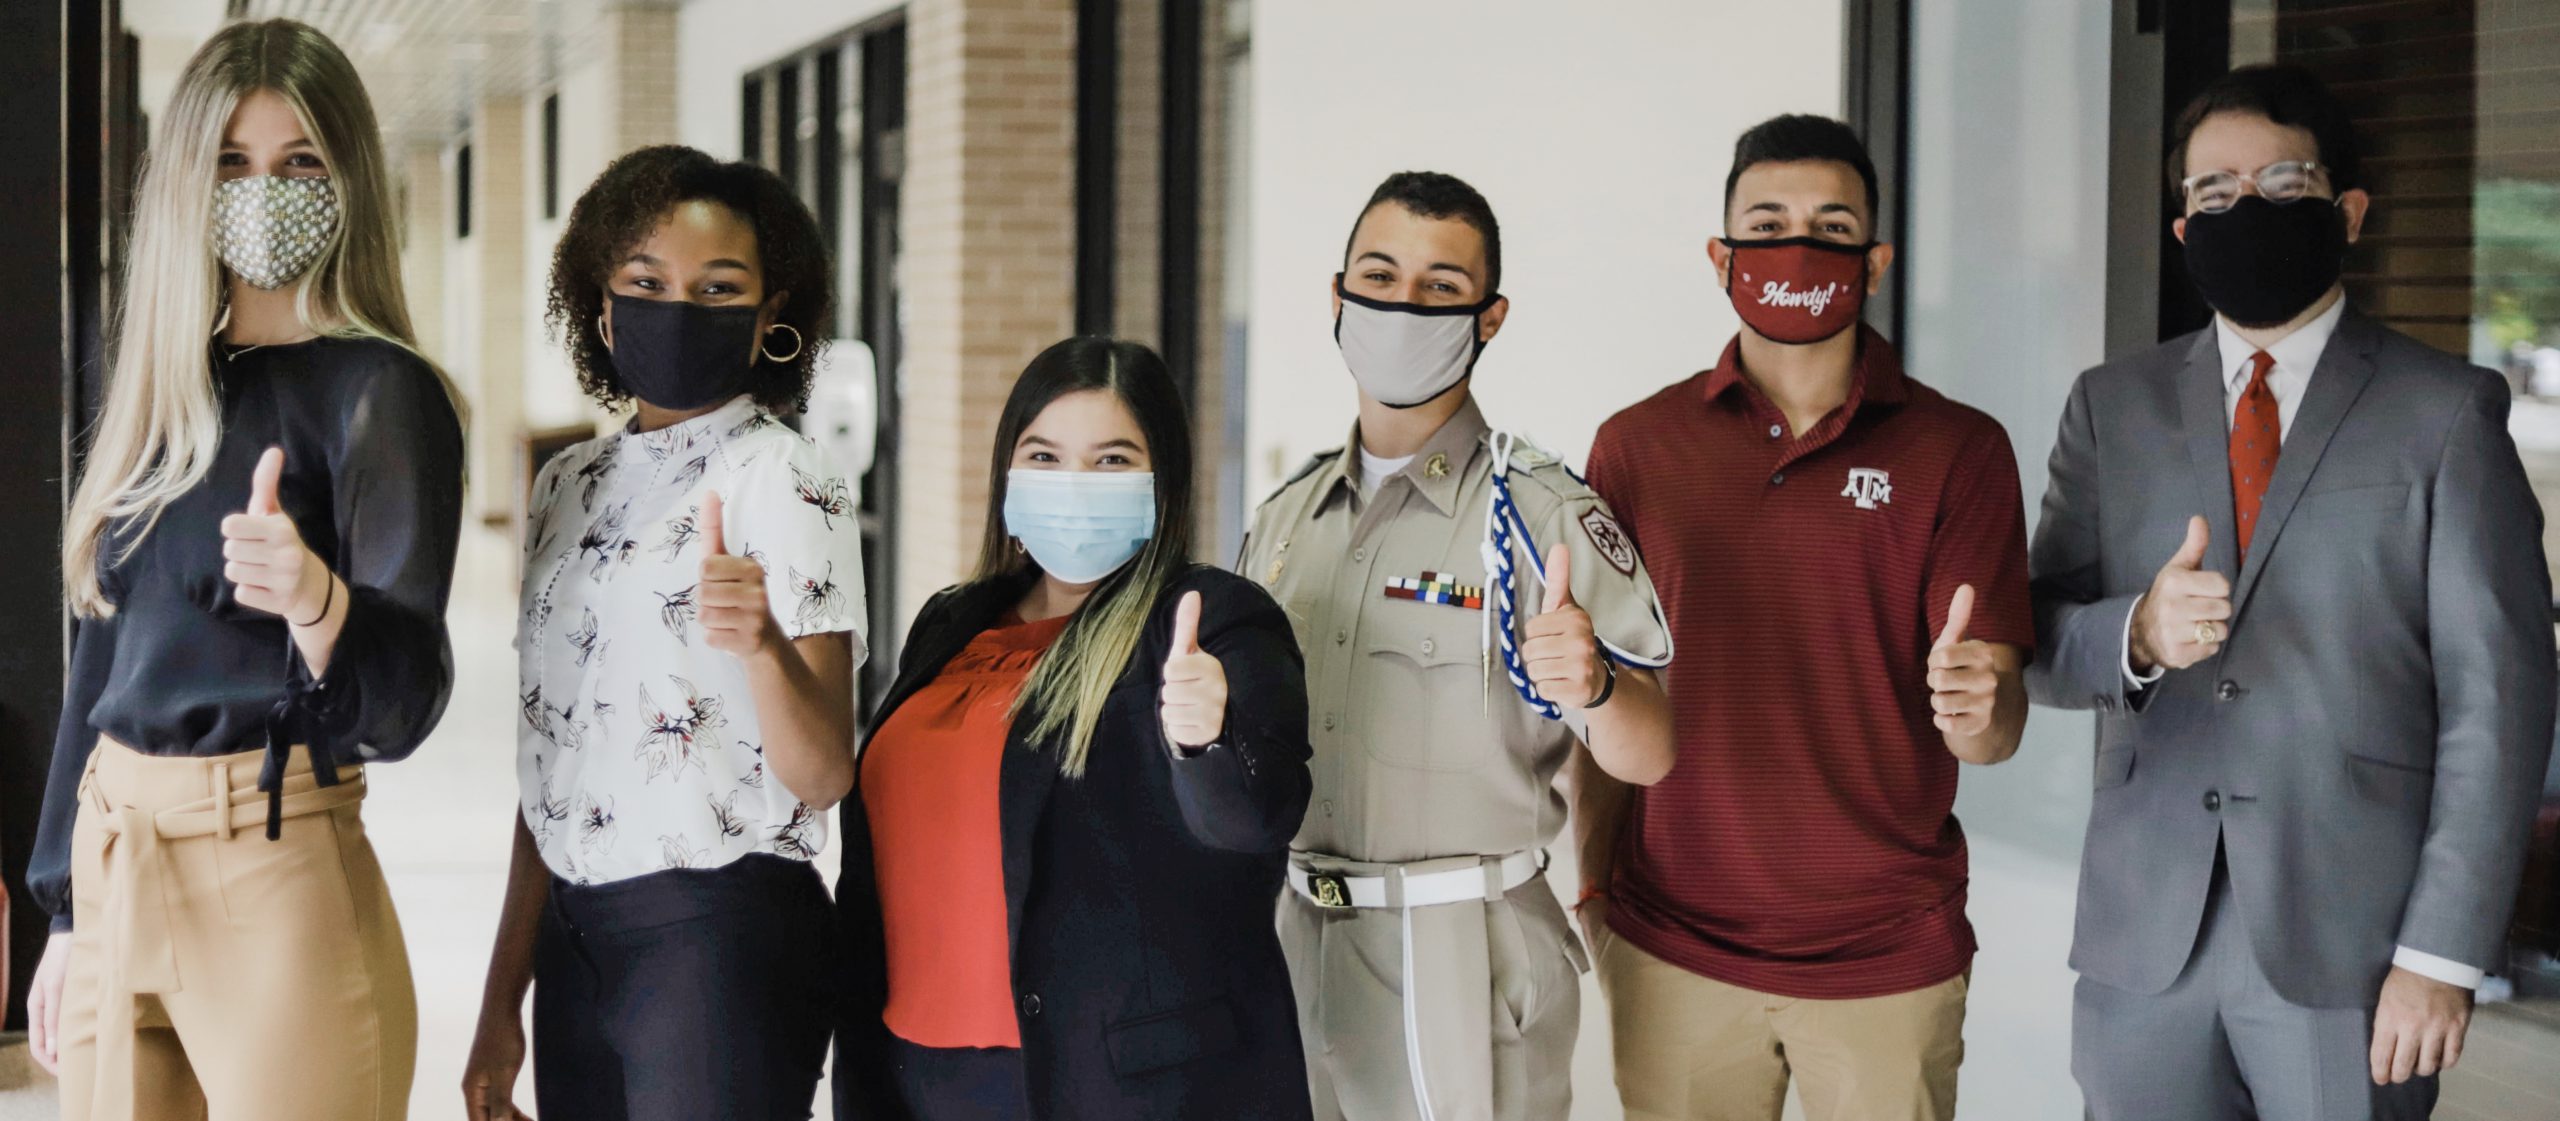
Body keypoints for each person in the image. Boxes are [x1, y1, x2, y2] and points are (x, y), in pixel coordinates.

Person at [2028, 63, 2558, 1120]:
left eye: (2280, 179)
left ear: (2346, 210)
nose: (2245, 208)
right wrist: (2132, 629)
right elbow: (2035, 637)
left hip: (2352, 947)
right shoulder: (2111, 405)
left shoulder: (2445, 411)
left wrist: (2441, 954)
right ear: (2183, 229)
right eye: (2212, 192)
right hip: (2146, 943)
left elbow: (2498, 700)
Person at [24, 18, 465, 1120]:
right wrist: (65, 913)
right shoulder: (155, 395)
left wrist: (313, 597)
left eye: (298, 162)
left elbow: (403, 701)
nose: (264, 190)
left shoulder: (380, 391)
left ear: (348, 177)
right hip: (116, 852)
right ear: (185, 182)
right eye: (231, 160)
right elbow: (100, 665)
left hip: (272, 867)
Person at [1574, 115, 2034, 1121]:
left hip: (1886, 955)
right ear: (1721, 256)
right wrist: (1587, 882)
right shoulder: (1635, 447)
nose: (1799, 245)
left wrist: (1977, 705)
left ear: (1872, 262)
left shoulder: (1958, 449)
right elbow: (1606, 691)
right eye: (1769, 220)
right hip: (1673, 946)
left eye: (1831, 225)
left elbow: (1994, 728)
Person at [1239, 171, 1677, 1121]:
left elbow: (1652, 750)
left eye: (1442, 287)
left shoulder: (1539, 513)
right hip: (1295, 936)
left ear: (1490, 317)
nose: (1403, 304)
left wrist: (1596, 686)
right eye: (1381, 275)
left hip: (1459, 946)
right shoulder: (1284, 521)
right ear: (1338, 295)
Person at [460, 145, 867, 1121]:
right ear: (600, 304)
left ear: (772, 315)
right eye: (647, 280)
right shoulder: (566, 487)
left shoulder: (787, 478)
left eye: (717, 286)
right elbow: (553, 761)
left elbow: (823, 774)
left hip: (718, 937)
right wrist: (499, 998)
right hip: (573, 934)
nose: (677, 305)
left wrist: (762, 642)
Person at [832, 336, 1313, 1120]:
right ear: (1008, 475)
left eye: (1113, 459)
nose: (1074, 484)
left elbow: (1254, 818)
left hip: (1110, 1088)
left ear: (1163, 481)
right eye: (1045, 456)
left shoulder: (1210, 621)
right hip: (916, 1078)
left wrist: (1202, 739)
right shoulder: (952, 620)